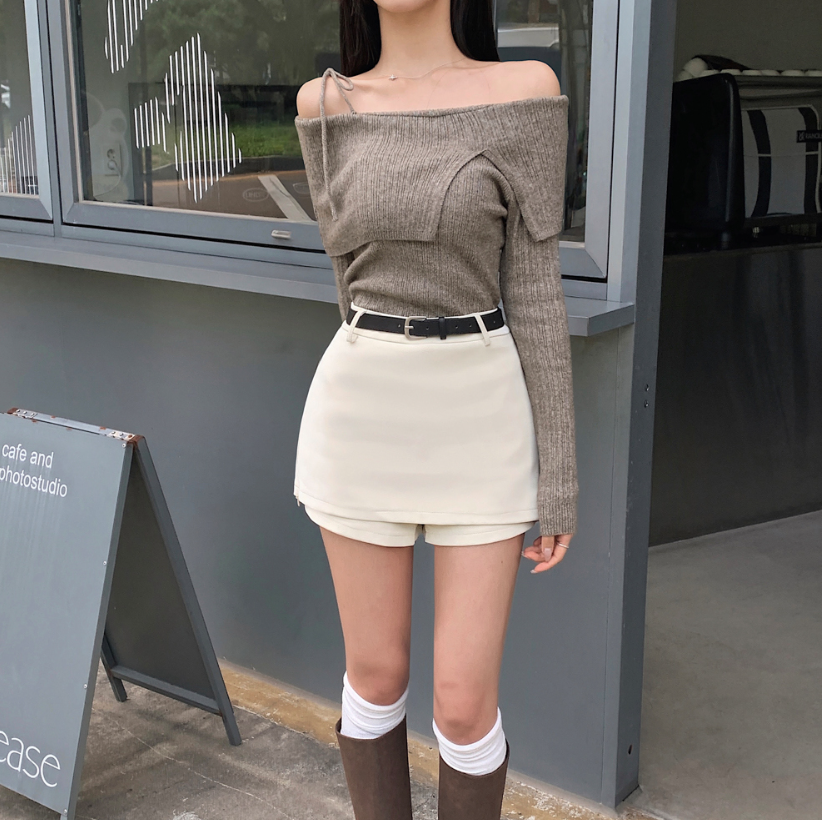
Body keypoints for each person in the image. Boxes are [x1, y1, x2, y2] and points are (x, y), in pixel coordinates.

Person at [293, 1, 578, 817]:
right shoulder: (324, 104)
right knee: (375, 673)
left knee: (461, 701)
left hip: (482, 417)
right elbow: (347, 278)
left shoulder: (524, 91)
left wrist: (559, 480)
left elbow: (536, 292)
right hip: (360, 412)